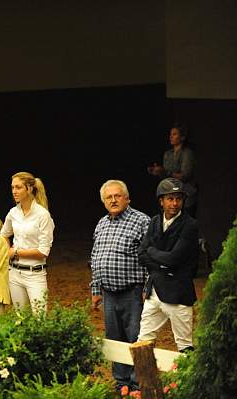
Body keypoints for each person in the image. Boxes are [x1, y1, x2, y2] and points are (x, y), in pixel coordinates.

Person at [90, 179, 150, 392]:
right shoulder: (101, 223)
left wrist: (147, 288)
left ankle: (137, 383)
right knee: (114, 339)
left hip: (133, 292)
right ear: (104, 201)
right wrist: (96, 289)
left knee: (135, 337)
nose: (113, 200)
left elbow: (149, 259)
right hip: (108, 293)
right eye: (109, 197)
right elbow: (95, 256)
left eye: (117, 196)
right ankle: (121, 382)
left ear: (127, 198)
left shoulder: (142, 221)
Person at [137, 178, 198, 352]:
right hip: (154, 291)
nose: (175, 203)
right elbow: (141, 255)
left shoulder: (190, 225)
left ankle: (186, 380)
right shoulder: (155, 221)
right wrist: (162, 265)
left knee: (184, 345)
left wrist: (152, 251)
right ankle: (145, 380)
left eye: (178, 198)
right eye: (170, 198)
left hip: (178, 294)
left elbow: (173, 259)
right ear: (161, 201)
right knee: (143, 341)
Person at [0, 172, 54, 313]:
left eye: (18, 187)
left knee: (39, 318)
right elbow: (4, 235)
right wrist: (8, 250)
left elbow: (43, 252)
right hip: (15, 273)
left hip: (34, 275)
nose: (14, 191)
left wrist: (15, 252)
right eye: (12, 188)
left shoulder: (43, 215)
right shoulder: (13, 212)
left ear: (29, 188)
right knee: (20, 318)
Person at [148, 123, 197, 216]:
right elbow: (167, 177)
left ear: (182, 137)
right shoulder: (168, 154)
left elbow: (185, 176)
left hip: (185, 196)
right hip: (170, 194)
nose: (171, 137)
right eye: (170, 134)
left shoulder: (187, 153)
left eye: (174, 134)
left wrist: (164, 172)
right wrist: (157, 172)